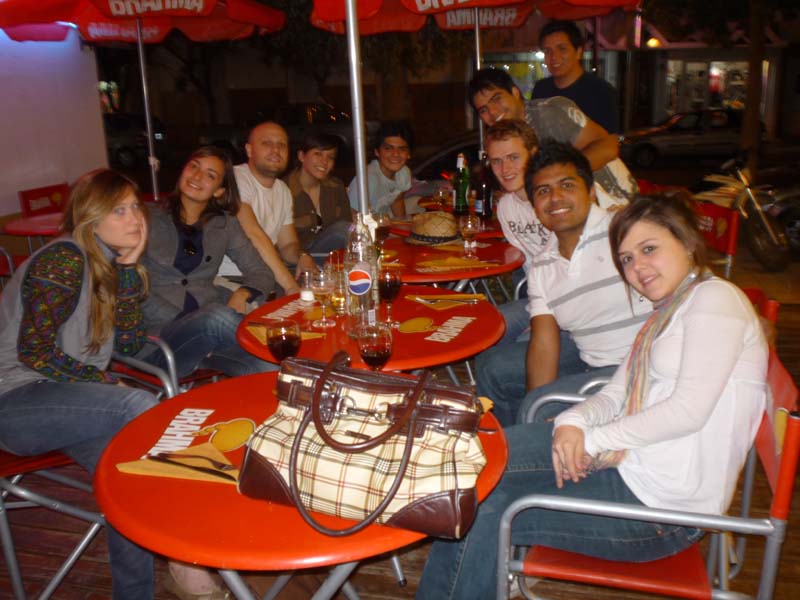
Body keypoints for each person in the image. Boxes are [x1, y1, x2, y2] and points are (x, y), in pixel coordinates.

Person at [417, 194, 768, 600]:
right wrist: (574, 422)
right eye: (627, 259)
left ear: (687, 243)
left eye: (649, 249)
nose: (637, 268)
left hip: (662, 511)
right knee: (479, 458)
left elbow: (687, 412)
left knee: (478, 508)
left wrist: (593, 439)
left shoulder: (714, 300)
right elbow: (618, 388)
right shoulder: (670, 308)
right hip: (632, 467)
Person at [0, 169, 159, 598]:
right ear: (91, 216)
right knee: (138, 405)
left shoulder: (105, 261)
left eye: (135, 207)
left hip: (65, 404)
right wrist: (104, 383)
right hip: (15, 402)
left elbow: (130, 343)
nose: (135, 219)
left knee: (129, 481)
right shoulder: (64, 259)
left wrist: (129, 268)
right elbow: (34, 352)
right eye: (119, 210)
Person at [477, 142, 651, 427]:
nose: (555, 198)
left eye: (567, 185)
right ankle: (513, 439)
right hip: (591, 359)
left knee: (537, 410)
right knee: (498, 371)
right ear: (534, 207)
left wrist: (538, 408)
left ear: (591, 192)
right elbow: (543, 345)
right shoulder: (543, 265)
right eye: (543, 191)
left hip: (644, 369)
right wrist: (536, 406)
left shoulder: (626, 233)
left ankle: (522, 444)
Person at [139, 146, 276, 378]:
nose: (197, 176)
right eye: (194, 166)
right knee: (216, 317)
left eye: (210, 175)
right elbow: (134, 287)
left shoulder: (224, 224)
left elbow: (260, 271)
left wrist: (242, 294)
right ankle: (293, 354)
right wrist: (191, 323)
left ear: (219, 190)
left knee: (269, 368)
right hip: (159, 341)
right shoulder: (146, 217)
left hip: (210, 337)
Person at [468, 67, 636, 207]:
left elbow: (609, 146)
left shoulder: (551, 114)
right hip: (574, 210)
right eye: (483, 109)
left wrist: (555, 176)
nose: (492, 112)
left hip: (616, 202)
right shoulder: (506, 138)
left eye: (496, 98)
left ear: (515, 92)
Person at [221, 121, 318, 294]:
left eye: (282, 145)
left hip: (264, 274)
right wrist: (290, 286)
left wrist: (302, 256)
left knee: (325, 288)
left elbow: (288, 245)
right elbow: (254, 235)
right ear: (249, 150)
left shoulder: (282, 190)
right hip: (231, 276)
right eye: (266, 143)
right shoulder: (236, 177)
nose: (276, 150)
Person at [484, 119, 549, 344]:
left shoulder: (561, 194)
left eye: (513, 157)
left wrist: (545, 319)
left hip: (581, 306)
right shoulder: (506, 208)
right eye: (497, 161)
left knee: (514, 353)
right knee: (481, 329)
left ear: (533, 154)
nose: (505, 170)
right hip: (539, 302)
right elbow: (531, 267)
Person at [532, 19, 620, 134]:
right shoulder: (541, 89)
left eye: (562, 49)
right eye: (547, 51)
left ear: (578, 52)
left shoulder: (601, 92)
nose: (554, 57)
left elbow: (610, 140)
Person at [284, 131, 352, 258]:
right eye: (318, 154)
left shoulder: (336, 187)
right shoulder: (283, 190)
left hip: (332, 257)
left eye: (330, 157)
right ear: (301, 156)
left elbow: (348, 225)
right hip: (296, 258)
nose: (324, 161)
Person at [348, 120, 413, 217]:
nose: (396, 154)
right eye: (388, 148)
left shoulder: (404, 172)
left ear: (408, 154)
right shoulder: (367, 179)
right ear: (377, 152)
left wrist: (402, 222)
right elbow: (351, 214)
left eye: (402, 149)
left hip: (382, 220)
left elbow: (397, 200)